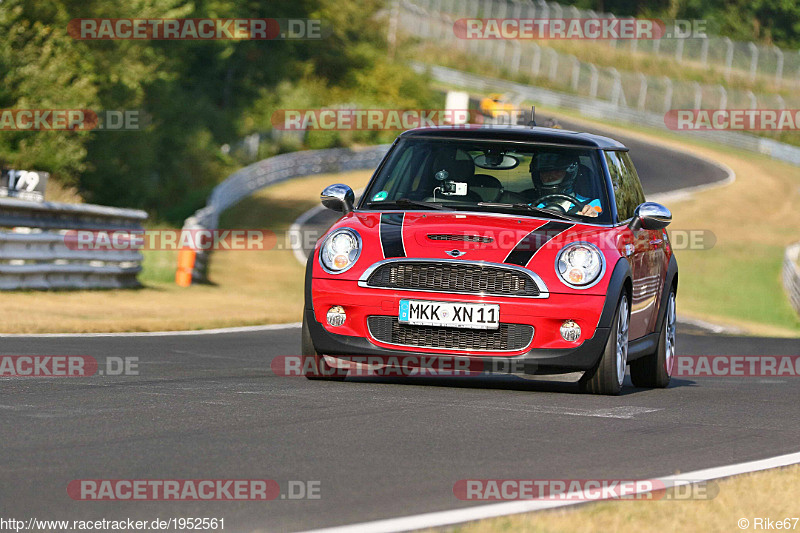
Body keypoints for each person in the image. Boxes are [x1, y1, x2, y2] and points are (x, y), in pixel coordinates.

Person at [530, 153, 602, 217]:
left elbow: (602, 218)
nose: (550, 176)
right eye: (544, 172)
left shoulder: (593, 204)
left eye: (557, 172)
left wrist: (593, 215)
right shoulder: (529, 208)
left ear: (569, 174)